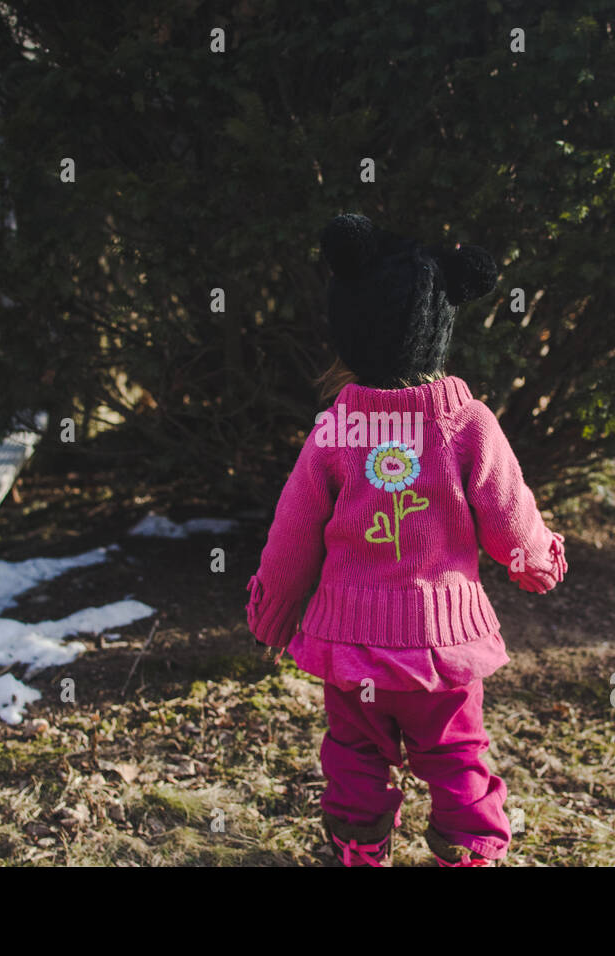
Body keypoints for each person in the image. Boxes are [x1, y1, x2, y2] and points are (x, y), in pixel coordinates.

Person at [245, 213, 567, 866]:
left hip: (352, 651)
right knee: (456, 757)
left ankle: (361, 851)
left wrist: (275, 610)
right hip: (442, 655)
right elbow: (508, 515)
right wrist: (536, 560)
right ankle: (468, 853)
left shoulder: (335, 430)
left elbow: (293, 533)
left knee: (356, 758)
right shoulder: (468, 425)